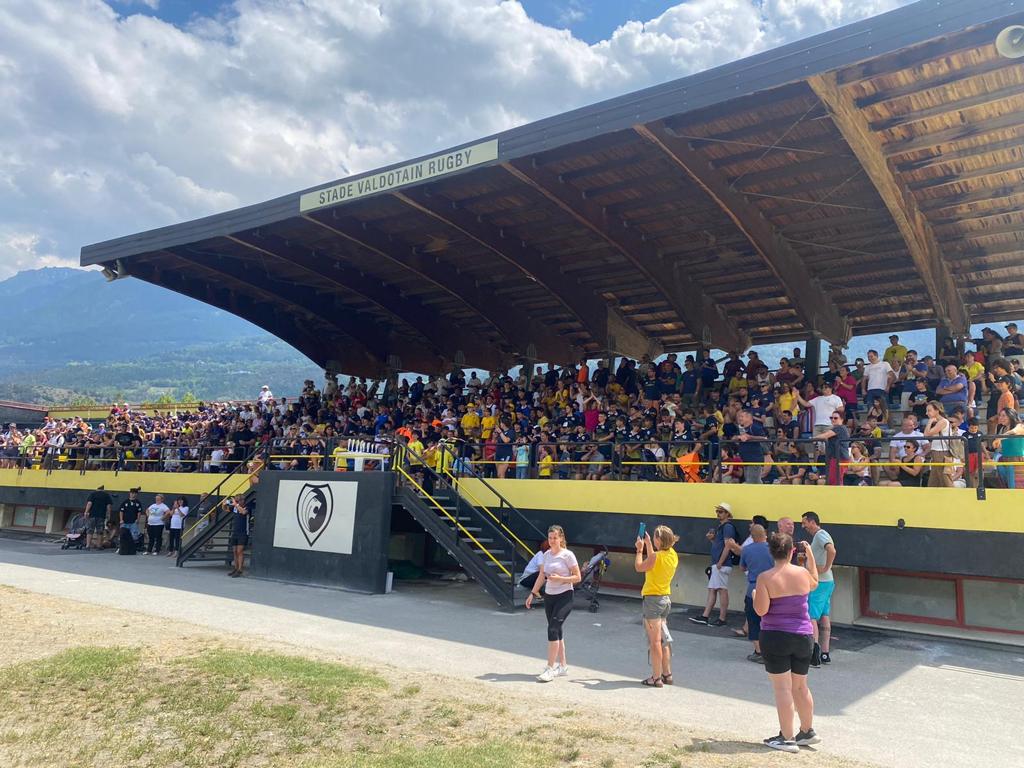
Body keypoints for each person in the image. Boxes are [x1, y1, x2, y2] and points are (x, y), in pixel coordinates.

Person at [753, 532, 821, 753]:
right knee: (800, 686)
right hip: (803, 636)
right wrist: (809, 553)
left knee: (783, 688)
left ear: (771, 551)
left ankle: (787, 737)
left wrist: (756, 594)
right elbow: (815, 581)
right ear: (792, 551)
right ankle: (807, 730)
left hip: (776, 636)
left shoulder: (765, 577)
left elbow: (761, 610)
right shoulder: (802, 574)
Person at [526, 525, 581, 682]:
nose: (552, 541)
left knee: (553, 629)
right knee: (558, 631)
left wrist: (560, 579)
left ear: (561, 538)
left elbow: (577, 577)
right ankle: (563, 666)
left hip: (565, 596)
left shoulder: (568, 555)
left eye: (555, 538)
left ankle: (550, 668)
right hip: (550, 596)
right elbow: (542, 576)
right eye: (550, 538)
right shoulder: (547, 555)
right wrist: (532, 593)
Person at [634, 525, 679, 687]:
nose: (653, 539)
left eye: (654, 537)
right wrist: (648, 544)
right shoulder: (672, 555)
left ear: (659, 540)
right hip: (665, 599)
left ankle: (656, 677)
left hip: (652, 600)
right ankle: (667, 674)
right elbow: (655, 558)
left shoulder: (656, 557)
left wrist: (640, 550)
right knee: (664, 639)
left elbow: (640, 567)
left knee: (655, 642)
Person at [690, 502, 740, 627]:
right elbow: (721, 546)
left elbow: (728, 546)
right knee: (715, 589)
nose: (718, 514)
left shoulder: (727, 527)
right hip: (719, 563)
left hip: (721, 564)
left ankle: (718, 618)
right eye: (717, 511)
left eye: (721, 511)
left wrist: (720, 562)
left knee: (720, 590)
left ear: (727, 514)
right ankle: (707, 616)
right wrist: (713, 540)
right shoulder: (723, 527)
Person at [801, 512, 836, 667]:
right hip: (828, 581)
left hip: (820, 582)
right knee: (824, 615)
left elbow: (832, 550)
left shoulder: (820, 535)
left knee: (812, 617)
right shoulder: (821, 535)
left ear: (812, 521)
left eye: (805, 523)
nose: (803, 526)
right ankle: (825, 653)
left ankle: (813, 653)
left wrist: (826, 566)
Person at [741, 524, 775, 663]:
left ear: (752, 536)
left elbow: (743, 567)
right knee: (771, 620)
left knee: (753, 620)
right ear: (765, 535)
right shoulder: (773, 549)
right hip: (773, 588)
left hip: (754, 588)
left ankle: (759, 651)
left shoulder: (747, 550)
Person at [83, 485, 112, 550]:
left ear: (97, 489)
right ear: (103, 489)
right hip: (101, 516)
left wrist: (86, 512)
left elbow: (89, 503)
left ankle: (87, 546)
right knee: (100, 531)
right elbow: (109, 506)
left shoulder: (93, 494)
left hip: (92, 515)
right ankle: (99, 546)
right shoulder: (106, 495)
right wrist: (109, 515)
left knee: (90, 530)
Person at [227, 495, 250, 577]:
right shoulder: (235, 508)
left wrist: (236, 505)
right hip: (235, 532)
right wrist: (223, 504)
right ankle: (236, 568)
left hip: (243, 532)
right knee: (234, 551)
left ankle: (240, 569)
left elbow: (243, 512)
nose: (236, 502)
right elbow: (225, 509)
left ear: (242, 501)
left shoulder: (247, 507)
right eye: (236, 500)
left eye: (238, 500)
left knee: (239, 551)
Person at [117, 487, 143, 553]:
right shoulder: (125, 502)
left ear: (136, 494)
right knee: (122, 535)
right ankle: (120, 548)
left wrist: (138, 519)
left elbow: (139, 512)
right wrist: (121, 520)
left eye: (134, 493)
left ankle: (133, 548)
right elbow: (121, 511)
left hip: (133, 522)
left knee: (134, 535)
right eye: (132, 493)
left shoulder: (138, 503)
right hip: (125, 522)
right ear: (129, 494)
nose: (133, 495)